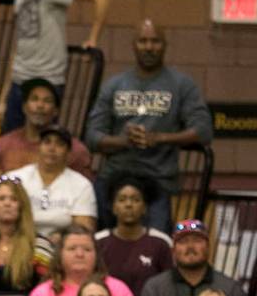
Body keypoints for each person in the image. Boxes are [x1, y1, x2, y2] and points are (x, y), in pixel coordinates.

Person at [86, 19, 212, 233]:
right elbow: (92, 136)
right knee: (100, 241)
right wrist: (124, 141)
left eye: (155, 41)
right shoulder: (115, 85)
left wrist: (159, 138)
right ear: (134, 45)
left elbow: (203, 131)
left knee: (158, 243)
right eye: (143, 41)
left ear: (165, 45)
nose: (149, 47)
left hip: (158, 179)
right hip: (114, 177)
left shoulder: (181, 84)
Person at [0, 0, 111, 134]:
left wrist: (93, 38)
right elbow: (18, 48)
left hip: (46, 79)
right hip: (18, 80)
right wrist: (3, 99)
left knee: (42, 142)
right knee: (11, 144)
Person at [0, 77, 92, 183]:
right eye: (34, 99)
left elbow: (83, 191)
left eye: (47, 101)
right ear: (24, 107)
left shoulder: (75, 151)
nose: (40, 105)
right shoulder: (2, 146)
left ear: (56, 111)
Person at [6, 125, 96, 240]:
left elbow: (83, 229)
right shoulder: (15, 178)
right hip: (17, 242)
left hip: (60, 249)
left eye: (59, 144)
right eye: (47, 142)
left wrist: (61, 239)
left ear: (68, 152)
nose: (52, 148)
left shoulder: (82, 185)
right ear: (38, 147)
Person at [94, 176, 172, 296]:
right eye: (122, 199)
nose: (129, 204)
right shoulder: (98, 242)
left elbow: (168, 288)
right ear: (113, 207)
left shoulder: (161, 242)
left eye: (135, 200)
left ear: (145, 208)